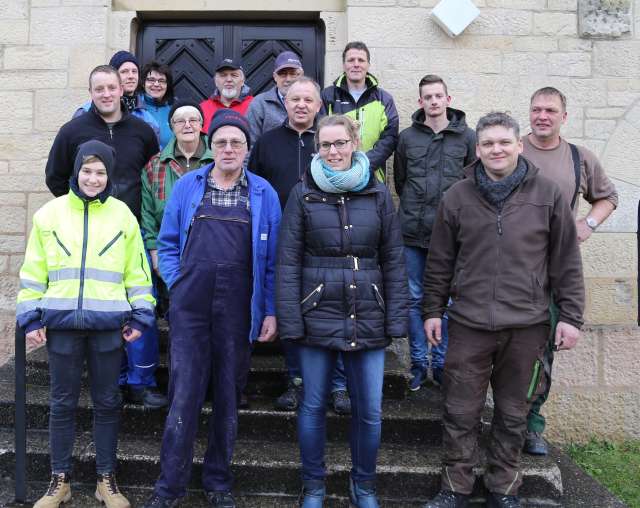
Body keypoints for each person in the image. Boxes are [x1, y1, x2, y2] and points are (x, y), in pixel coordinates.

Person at [421, 112, 585, 508]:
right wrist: (431, 309)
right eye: (488, 143)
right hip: (468, 323)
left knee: (514, 414)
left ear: (518, 145)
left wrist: (570, 316)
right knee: (460, 410)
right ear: (478, 150)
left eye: (504, 142)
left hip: (527, 326)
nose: (496, 149)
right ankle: (454, 488)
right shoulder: (457, 196)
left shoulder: (547, 194)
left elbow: (566, 260)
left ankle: (503, 489)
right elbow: (440, 259)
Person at [143, 109, 281, 508]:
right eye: (220, 142)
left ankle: (218, 482)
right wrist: (177, 281)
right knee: (183, 394)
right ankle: (169, 486)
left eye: (236, 142)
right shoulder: (189, 186)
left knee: (227, 395)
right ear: (210, 147)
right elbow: (167, 243)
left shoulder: (263, 193)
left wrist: (269, 310)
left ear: (247, 150)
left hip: (239, 307)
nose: (228, 148)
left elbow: (272, 261)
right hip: (191, 304)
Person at [276, 114, 408, 508]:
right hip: (317, 312)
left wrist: (396, 317)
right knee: (313, 406)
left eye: (340, 143)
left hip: (368, 311)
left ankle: (363, 486)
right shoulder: (303, 193)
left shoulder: (378, 193)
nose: (333, 152)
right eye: (325, 145)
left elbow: (393, 257)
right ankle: (314, 485)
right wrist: (290, 319)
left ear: (354, 143)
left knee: (369, 410)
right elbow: (287, 261)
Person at [17, 140, 155, 508]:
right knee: (61, 403)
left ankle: (105, 480)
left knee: (108, 402)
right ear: (76, 171)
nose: (93, 178)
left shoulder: (123, 215)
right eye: (87, 170)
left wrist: (141, 314)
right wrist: (30, 317)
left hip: (108, 326)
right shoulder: (50, 215)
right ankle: (59, 481)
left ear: (110, 176)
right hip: (61, 325)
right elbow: (33, 272)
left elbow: (137, 272)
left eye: (100, 172)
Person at [46, 64, 165, 410]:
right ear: (91, 92)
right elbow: (56, 178)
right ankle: (109, 381)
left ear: (122, 89)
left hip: (133, 231)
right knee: (103, 308)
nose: (106, 94)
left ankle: (141, 382)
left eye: (111, 87)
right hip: (89, 236)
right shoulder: (73, 131)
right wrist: (80, 215)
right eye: (99, 89)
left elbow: (152, 180)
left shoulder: (142, 131)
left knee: (140, 305)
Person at [521, 86, 618, 456]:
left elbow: (608, 197)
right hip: (510, 268)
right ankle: (503, 421)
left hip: (554, 271)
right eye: (536, 109)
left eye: (550, 110)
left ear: (564, 116)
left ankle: (532, 425)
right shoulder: (511, 149)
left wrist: (588, 224)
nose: (542, 116)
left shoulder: (580, 158)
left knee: (542, 351)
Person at [393, 74, 476, 391]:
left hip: (452, 235)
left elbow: (471, 184)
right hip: (412, 231)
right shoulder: (406, 138)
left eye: (438, 96)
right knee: (414, 298)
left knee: (449, 300)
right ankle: (417, 363)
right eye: (427, 97)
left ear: (448, 99)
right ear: (420, 102)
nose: (433, 101)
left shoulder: (467, 138)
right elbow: (400, 182)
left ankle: (440, 364)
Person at [141, 100, 214, 279]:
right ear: (171, 126)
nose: (187, 125)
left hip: (211, 252)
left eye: (193, 120)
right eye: (180, 121)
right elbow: (148, 214)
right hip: (169, 254)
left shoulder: (217, 162)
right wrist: (155, 253)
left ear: (202, 124)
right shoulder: (156, 165)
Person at [321, 41, 399, 183]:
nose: (356, 64)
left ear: (368, 65)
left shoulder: (384, 99)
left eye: (361, 60)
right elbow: (320, 135)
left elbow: (390, 138)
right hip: (335, 175)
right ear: (344, 65)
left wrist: (364, 164)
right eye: (351, 60)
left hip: (372, 175)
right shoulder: (328, 96)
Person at [73, 51, 160, 141]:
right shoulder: (84, 113)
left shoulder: (148, 120)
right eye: (124, 71)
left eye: (134, 71)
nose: (131, 76)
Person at [247, 50, 304, 143]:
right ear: (275, 76)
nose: (288, 79)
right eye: (282, 74)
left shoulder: (311, 103)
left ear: (301, 75)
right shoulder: (259, 104)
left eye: (293, 74)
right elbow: (250, 145)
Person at [200, 57, 253, 131]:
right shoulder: (202, 109)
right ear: (216, 81)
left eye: (234, 75)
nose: (229, 80)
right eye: (223, 75)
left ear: (242, 81)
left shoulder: (255, 106)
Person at [140, 60, 176, 149]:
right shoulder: (136, 108)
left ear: (167, 85)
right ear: (143, 83)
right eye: (151, 80)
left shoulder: (175, 110)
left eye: (161, 81)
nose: (156, 84)